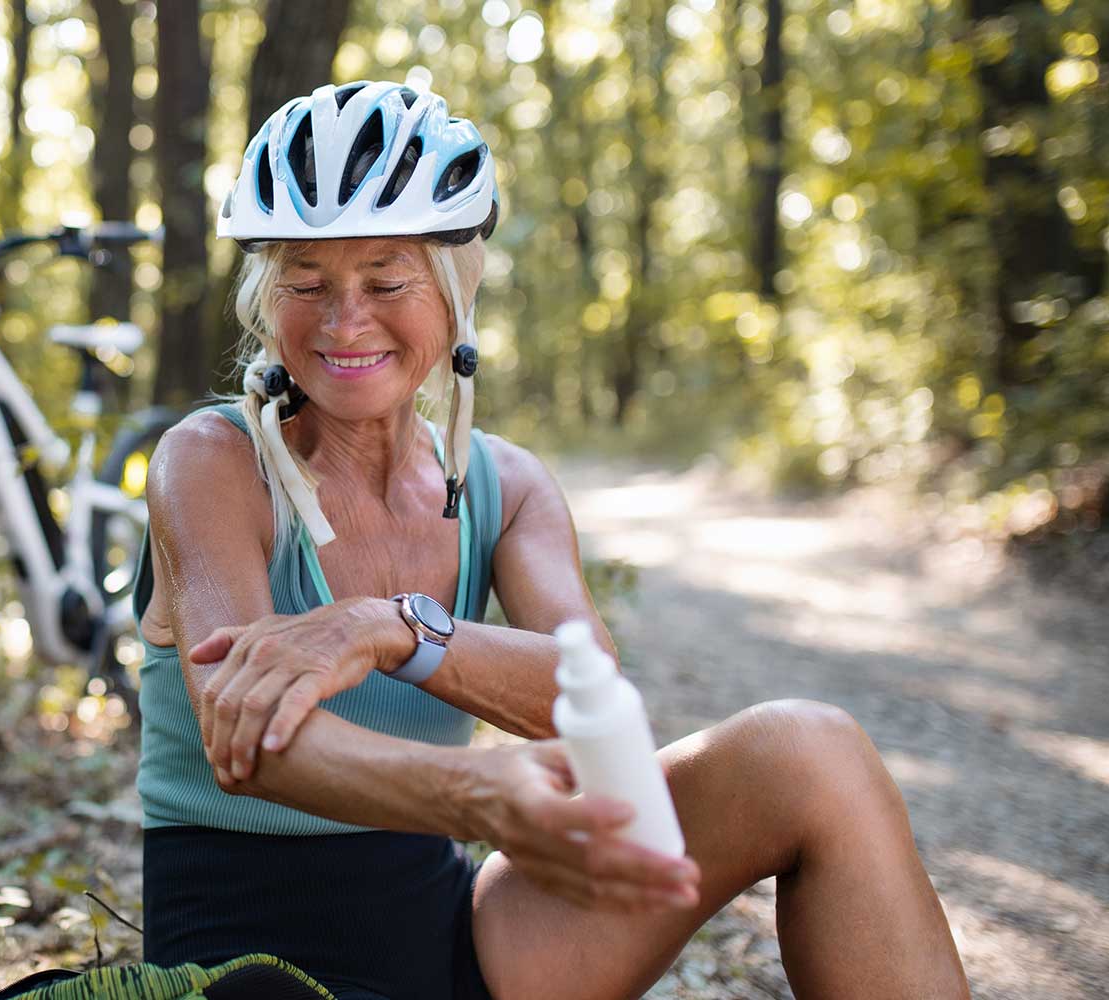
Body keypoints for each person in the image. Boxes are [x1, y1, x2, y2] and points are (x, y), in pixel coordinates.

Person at [131, 81, 970, 1000]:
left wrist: (394, 626)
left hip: (466, 944)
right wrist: (479, 797)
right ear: (268, 293)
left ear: (457, 287)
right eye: (307, 284)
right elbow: (239, 733)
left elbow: (590, 694)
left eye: (385, 280)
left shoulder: (510, 484)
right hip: (249, 964)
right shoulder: (209, 460)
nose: (344, 321)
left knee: (810, 750)